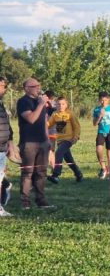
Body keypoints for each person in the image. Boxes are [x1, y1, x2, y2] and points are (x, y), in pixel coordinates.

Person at [17, 78, 54, 209]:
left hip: (42, 141)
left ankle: (41, 201)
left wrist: (47, 139)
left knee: (41, 172)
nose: (38, 88)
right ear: (26, 88)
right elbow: (31, 119)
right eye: (35, 86)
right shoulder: (23, 102)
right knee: (27, 173)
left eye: (39, 85)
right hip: (29, 143)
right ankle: (25, 203)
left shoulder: (40, 101)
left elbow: (44, 121)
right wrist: (40, 105)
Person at [46, 97, 83, 184]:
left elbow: (77, 126)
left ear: (66, 105)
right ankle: (78, 174)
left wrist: (76, 137)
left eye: (63, 104)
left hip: (69, 139)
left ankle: (56, 175)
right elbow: (49, 124)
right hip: (59, 140)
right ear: (56, 105)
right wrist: (42, 124)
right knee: (69, 159)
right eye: (58, 104)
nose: (61, 106)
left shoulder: (70, 114)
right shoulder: (55, 114)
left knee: (58, 153)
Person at [93, 92, 110, 179]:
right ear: (99, 100)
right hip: (101, 132)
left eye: (105, 100)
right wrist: (100, 116)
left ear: (108, 100)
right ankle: (103, 168)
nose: (103, 102)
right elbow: (94, 124)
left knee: (109, 153)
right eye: (102, 100)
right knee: (98, 149)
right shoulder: (96, 109)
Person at [0, 77, 15, 216]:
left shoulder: (1, 104)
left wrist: (10, 142)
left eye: (3, 86)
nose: (1, 89)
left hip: (2, 147)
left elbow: (7, 125)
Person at [43, 90, 57, 170]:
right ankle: (53, 168)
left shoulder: (54, 105)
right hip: (43, 131)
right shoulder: (42, 105)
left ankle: (54, 168)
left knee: (49, 150)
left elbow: (54, 110)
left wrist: (48, 103)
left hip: (52, 132)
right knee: (49, 151)